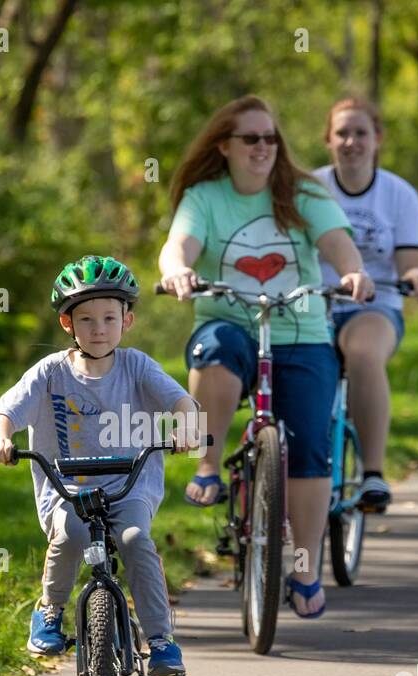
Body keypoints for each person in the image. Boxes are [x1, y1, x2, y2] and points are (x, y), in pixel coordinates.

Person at [158, 94, 370, 619]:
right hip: (229, 321)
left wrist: (353, 272)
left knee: (309, 449)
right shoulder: (206, 196)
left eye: (270, 138)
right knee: (217, 355)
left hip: (301, 327)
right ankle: (208, 465)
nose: (262, 147)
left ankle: (304, 567)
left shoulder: (301, 193)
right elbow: (179, 244)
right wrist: (177, 270)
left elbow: (338, 244)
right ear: (225, 146)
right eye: (250, 138)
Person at [0, 255, 200, 676]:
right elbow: (7, 410)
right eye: (85, 319)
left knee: (136, 539)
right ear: (68, 324)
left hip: (129, 487)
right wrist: (1, 437)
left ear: (127, 321)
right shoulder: (49, 373)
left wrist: (189, 426)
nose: (98, 329)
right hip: (69, 489)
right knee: (71, 533)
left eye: (108, 318)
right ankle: (49, 612)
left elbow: (181, 401)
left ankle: (161, 641)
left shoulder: (136, 367)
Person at [313, 96, 418, 511]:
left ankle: (372, 476)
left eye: (360, 132)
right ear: (328, 140)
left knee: (363, 352)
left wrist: (416, 278)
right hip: (313, 307)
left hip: (376, 306)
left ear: (377, 139)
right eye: (342, 133)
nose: (352, 142)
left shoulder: (400, 195)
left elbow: (409, 263)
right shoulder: (309, 189)